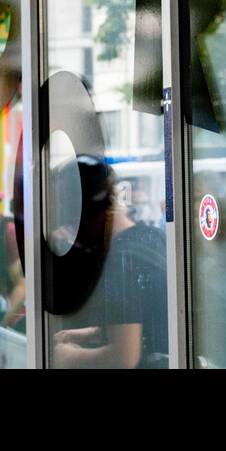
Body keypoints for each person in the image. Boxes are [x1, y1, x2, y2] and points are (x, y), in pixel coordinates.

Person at [51, 156, 168, 368]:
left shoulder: (119, 262)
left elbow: (124, 358)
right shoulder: (153, 237)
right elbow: (147, 318)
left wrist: (65, 356)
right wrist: (90, 334)